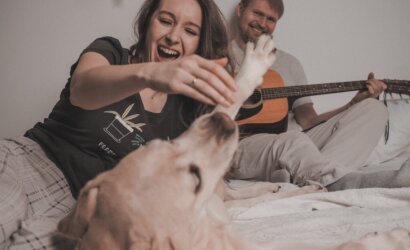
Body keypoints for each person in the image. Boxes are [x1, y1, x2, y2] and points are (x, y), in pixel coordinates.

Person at [0, 0, 236, 248]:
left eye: (190, 31)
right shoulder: (110, 51)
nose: (173, 37)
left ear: (199, 45)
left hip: (84, 208)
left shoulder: (187, 114)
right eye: (165, 21)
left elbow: (203, 180)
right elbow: (81, 88)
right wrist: (149, 74)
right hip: (30, 162)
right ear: (148, 23)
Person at [227, 0, 391, 190]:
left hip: (286, 146)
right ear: (240, 10)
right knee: (293, 140)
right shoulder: (217, 56)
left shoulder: (289, 64)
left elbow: (309, 121)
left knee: (375, 109)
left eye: (271, 19)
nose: (263, 23)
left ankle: (309, 178)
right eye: (257, 14)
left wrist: (353, 103)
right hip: (238, 146)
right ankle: (331, 179)